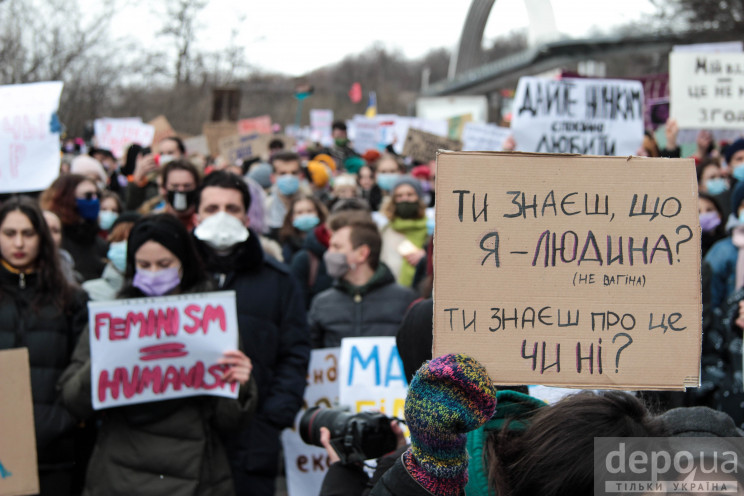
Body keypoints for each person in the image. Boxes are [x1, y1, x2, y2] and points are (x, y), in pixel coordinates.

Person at [59, 214, 257, 496]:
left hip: (196, 474)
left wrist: (240, 383)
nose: (153, 273)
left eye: (164, 265)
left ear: (184, 265)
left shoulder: (213, 322)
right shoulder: (111, 322)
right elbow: (72, 401)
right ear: (132, 267)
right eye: (144, 265)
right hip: (119, 472)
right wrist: (103, 362)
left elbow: (231, 422)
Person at [191, 171, 310, 496]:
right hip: (185, 439)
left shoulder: (279, 281)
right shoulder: (175, 275)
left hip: (252, 438)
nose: (222, 217)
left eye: (232, 209)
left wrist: (272, 418)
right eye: (212, 208)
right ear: (196, 214)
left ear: (247, 215)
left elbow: (295, 353)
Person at [0, 196, 89, 495]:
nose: (19, 243)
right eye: (10, 233)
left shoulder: (71, 300)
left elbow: (81, 366)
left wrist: (64, 419)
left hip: (57, 448)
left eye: (28, 233)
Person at [309, 211, 417, 348]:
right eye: (330, 246)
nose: (329, 253)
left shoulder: (406, 300)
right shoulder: (321, 303)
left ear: (362, 254)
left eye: (337, 247)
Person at [40, 174, 107, 281]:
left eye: (97, 195)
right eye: (88, 195)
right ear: (67, 199)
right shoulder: (55, 239)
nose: (95, 200)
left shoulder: (99, 242)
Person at [379, 177, 429, 287]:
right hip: (388, 288)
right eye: (399, 196)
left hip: (419, 289)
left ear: (418, 198)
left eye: (410, 195)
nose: (404, 199)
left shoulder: (430, 230)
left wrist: (426, 256)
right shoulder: (384, 229)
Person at [81, 212, 140, 301]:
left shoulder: (158, 293)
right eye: (120, 239)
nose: (126, 245)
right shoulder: (89, 292)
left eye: (132, 241)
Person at [265, 151, 310, 239]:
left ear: (301, 176)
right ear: (272, 178)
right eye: (283, 173)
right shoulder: (266, 207)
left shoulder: (312, 204)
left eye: (293, 173)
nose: (289, 178)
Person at [278, 194, 328, 264]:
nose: (305, 215)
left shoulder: (328, 240)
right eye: (299, 212)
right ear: (292, 217)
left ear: (319, 214)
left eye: (309, 211)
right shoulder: (287, 243)